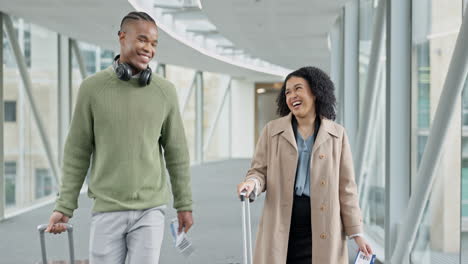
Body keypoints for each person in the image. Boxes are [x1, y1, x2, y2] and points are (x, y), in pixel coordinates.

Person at [45, 11, 193, 264]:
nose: (148, 49)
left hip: (151, 210)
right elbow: (77, 152)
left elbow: (177, 153)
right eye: (142, 40)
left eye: (154, 43)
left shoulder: (165, 92)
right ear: (122, 37)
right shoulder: (92, 89)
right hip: (107, 210)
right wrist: (64, 206)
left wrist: (184, 204)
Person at [237, 66, 372, 264]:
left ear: (316, 92)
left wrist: (357, 233)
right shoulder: (272, 131)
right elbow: (259, 171)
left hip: (323, 227)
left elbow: (347, 188)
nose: (292, 96)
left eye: (298, 88)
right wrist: (252, 184)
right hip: (282, 226)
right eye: (287, 92)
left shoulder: (337, 134)